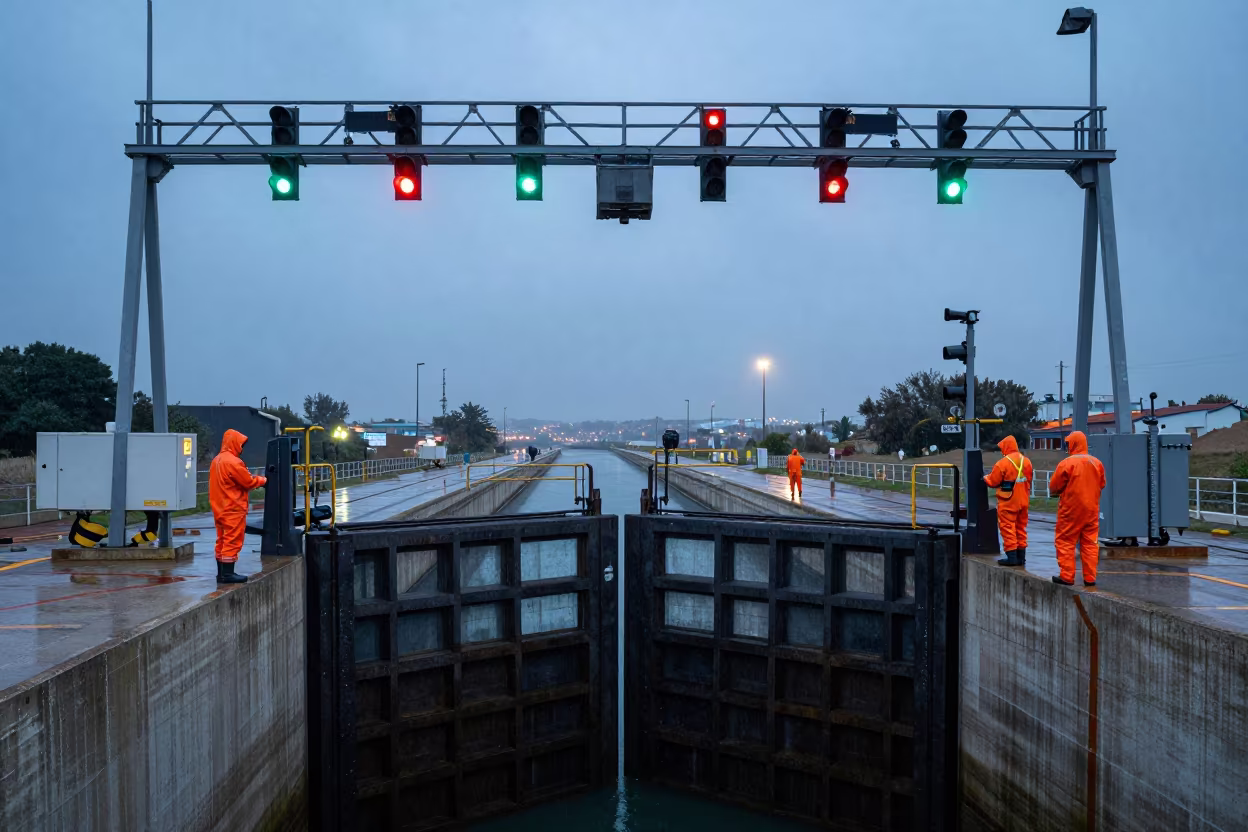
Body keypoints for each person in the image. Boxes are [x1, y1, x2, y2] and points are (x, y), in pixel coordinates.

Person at [1048, 430, 1106, 587]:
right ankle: (1090, 578)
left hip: (1071, 510)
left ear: (1073, 444)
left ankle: (1067, 576)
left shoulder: (1067, 463)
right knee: (1090, 543)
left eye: (1068, 443)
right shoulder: (1097, 463)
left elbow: (1054, 487)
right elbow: (1102, 484)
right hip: (1091, 510)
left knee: (1065, 541)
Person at [210, 429, 267, 584]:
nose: (241, 448)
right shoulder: (234, 462)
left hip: (219, 508)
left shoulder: (217, 460)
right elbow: (248, 481)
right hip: (233, 508)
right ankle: (228, 575)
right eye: (241, 444)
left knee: (221, 540)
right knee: (232, 540)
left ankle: (221, 574)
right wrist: (264, 481)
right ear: (234, 443)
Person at [984, 434, 1033, 567]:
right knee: (1021, 528)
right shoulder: (1027, 461)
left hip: (1008, 501)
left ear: (1006, 447)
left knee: (1008, 528)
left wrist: (985, 478)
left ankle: (1012, 558)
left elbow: (993, 481)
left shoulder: (1002, 463)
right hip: (1023, 500)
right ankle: (1021, 558)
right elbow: (1029, 480)